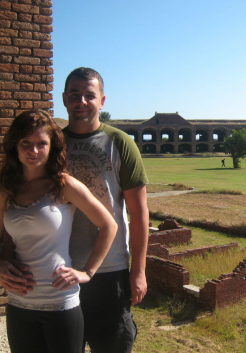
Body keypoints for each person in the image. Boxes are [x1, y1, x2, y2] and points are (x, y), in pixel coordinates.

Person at [0, 109, 118, 353]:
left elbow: (109, 225)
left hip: (60, 303)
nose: (33, 150)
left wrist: (88, 272)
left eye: (41, 143)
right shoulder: (6, 190)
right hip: (18, 302)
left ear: (52, 147)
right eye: (26, 143)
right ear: (15, 146)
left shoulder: (63, 185)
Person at [62, 67, 150, 353]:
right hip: (61, 267)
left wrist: (138, 271)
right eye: (75, 95)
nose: (82, 101)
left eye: (90, 95)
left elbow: (138, 213)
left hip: (110, 270)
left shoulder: (120, 143)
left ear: (102, 101)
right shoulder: (51, 144)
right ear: (64, 99)